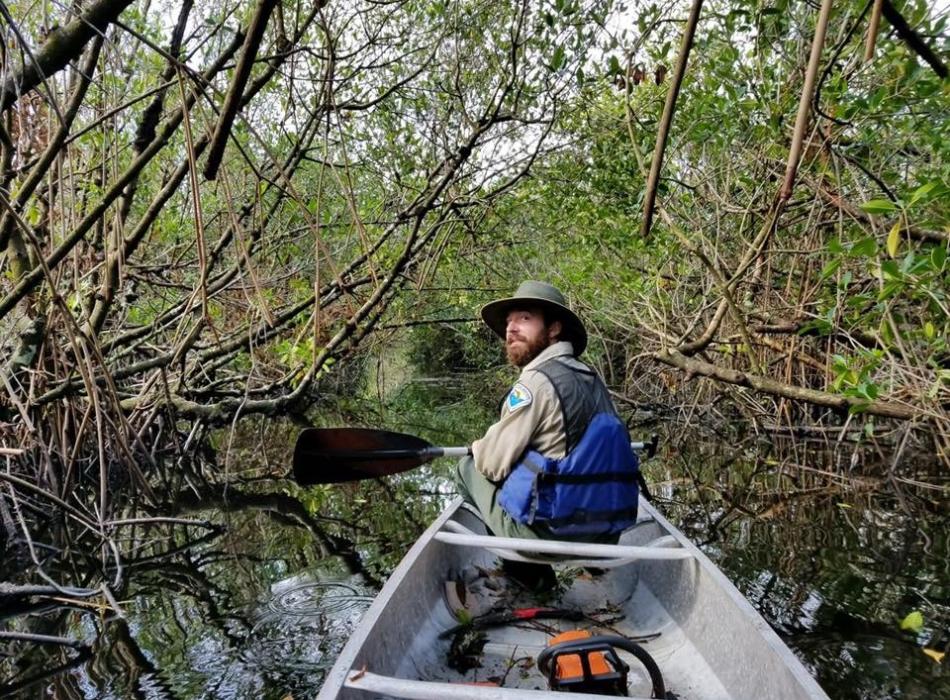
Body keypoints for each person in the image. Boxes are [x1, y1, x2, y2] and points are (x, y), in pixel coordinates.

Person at [456, 280, 641, 583]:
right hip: (606, 536)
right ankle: (593, 566)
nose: (511, 328)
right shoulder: (592, 378)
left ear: (554, 328)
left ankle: (533, 581)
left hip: (551, 535)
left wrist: (479, 446)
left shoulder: (534, 384)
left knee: (467, 469)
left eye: (524, 318)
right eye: (509, 321)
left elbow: (491, 463)